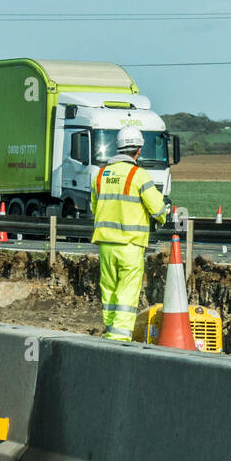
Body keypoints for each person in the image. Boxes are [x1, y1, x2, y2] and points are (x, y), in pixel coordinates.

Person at [90, 126, 168, 341]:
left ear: (118, 148)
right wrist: (165, 213)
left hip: (106, 244)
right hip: (130, 246)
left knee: (109, 289)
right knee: (127, 291)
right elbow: (158, 209)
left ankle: (110, 329)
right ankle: (120, 336)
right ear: (138, 150)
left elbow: (95, 208)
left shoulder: (100, 175)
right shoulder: (139, 176)